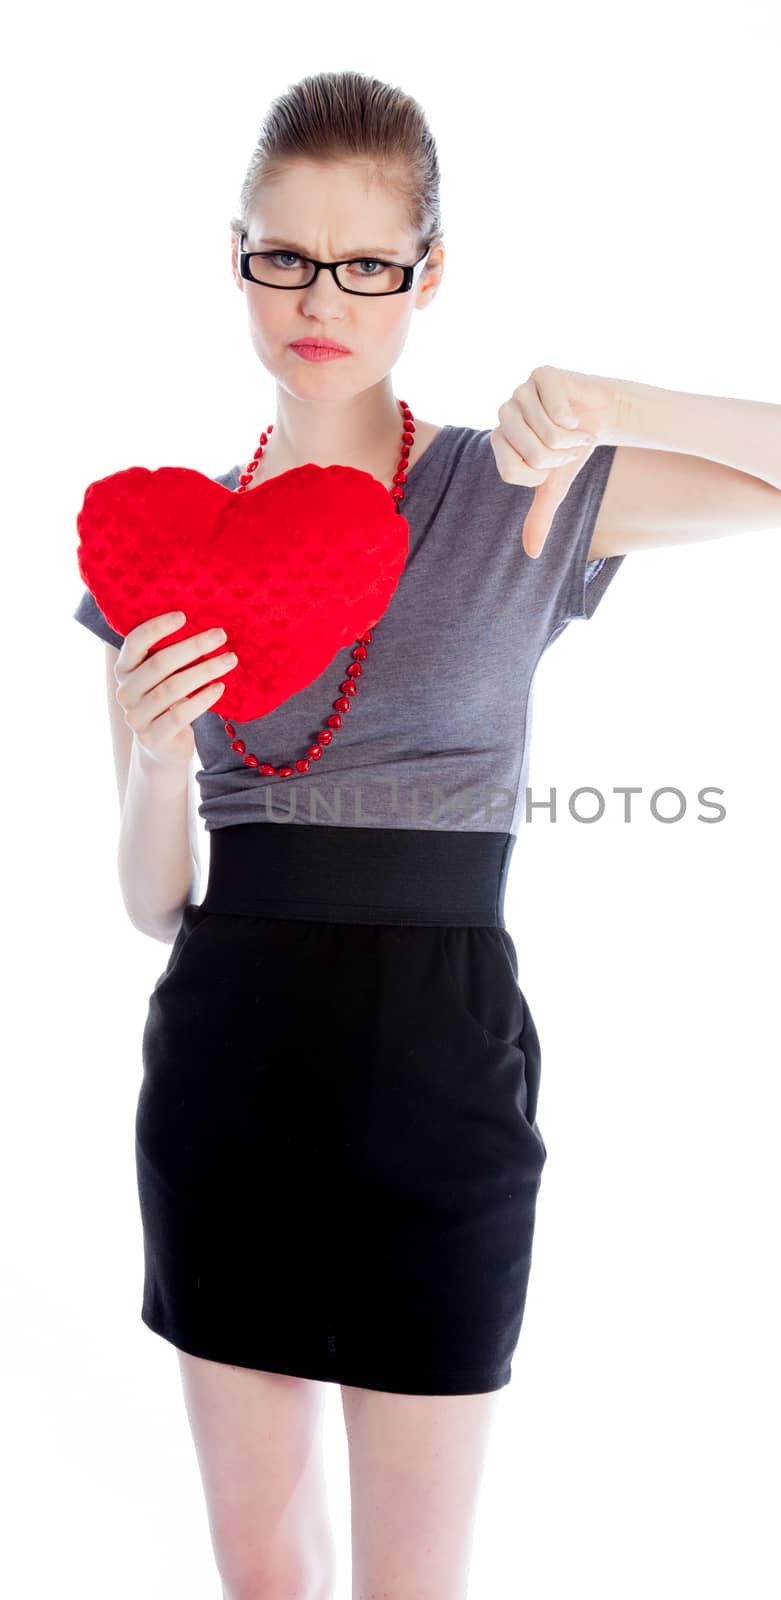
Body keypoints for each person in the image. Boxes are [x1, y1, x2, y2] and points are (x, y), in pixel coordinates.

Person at [72, 70, 628, 1600]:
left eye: (366, 263)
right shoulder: (166, 536)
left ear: (425, 274)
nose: (319, 299)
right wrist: (151, 751)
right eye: (282, 256)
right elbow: (149, 900)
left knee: (411, 1585)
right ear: (237, 255)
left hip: (441, 1070)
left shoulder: (512, 493)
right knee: (264, 1580)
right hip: (225, 1065)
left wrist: (612, 403)